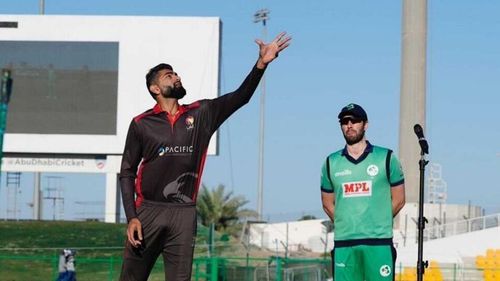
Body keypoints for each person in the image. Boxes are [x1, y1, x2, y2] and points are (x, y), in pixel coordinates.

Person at [119, 32, 291, 281]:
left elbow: (241, 96)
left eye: (176, 73)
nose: (176, 76)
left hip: (184, 213)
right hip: (148, 212)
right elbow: (127, 172)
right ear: (155, 88)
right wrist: (132, 217)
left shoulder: (202, 113)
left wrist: (261, 64)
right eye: (169, 75)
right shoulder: (141, 123)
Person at [320, 103, 405, 281]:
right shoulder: (331, 162)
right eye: (344, 121)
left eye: (355, 120)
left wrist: (376, 221)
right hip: (345, 244)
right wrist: (348, 223)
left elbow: (399, 199)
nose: (349, 125)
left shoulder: (386, 157)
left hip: (379, 244)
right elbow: (327, 204)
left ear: (365, 125)